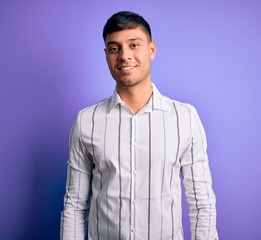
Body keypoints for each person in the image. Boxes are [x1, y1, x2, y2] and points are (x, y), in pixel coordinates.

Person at [60, 11, 218, 240]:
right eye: (114, 48)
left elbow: (202, 202)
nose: (124, 56)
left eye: (134, 45)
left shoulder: (184, 117)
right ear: (106, 55)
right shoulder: (87, 121)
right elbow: (74, 205)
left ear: (151, 49)